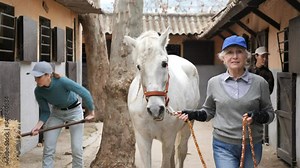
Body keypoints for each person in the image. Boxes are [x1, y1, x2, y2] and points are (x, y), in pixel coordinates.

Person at [176, 35, 275, 168]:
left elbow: (270, 114)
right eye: (229, 52)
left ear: (246, 56)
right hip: (223, 146)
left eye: (239, 52)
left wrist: (258, 116)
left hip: (252, 145)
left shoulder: (260, 83)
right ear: (223, 57)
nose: (234, 56)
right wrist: (193, 114)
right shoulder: (214, 83)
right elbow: (209, 111)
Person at [27, 61, 95, 168]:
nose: (36, 80)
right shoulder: (38, 91)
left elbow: (84, 92)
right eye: (35, 77)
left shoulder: (62, 81)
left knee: (77, 149)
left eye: (38, 77)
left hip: (74, 111)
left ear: (48, 75)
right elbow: (45, 111)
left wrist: (91, 111)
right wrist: (37, 126)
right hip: (56, 113)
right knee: (48, 148)